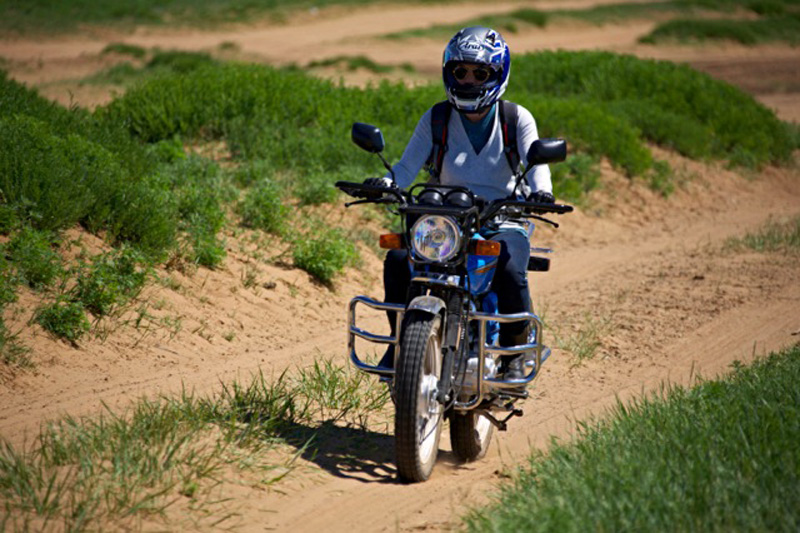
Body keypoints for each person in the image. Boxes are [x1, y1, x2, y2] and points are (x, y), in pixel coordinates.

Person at [364, 26, 555, 375]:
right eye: (460, 72)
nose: (468, 80)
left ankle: (516, 353)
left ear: (498, 74)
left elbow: (536, 163)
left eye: (480, 73)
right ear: (448, 72)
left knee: (511, 268)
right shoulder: (436, 118)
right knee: (397, 259)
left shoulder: (516, 118)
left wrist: (542, 193)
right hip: (444, 220)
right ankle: (400, 345)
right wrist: (387, 183)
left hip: (502, 219)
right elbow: (406, 167)